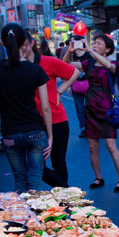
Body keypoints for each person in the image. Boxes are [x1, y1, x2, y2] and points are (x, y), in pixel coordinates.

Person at [0, 23, 53, 193]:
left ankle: (22, 219)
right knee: (35, 183)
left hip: (10, 133)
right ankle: (35, 218)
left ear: (3, 43)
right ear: (24, 44)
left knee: (20, 181)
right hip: (36, 131)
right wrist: (50, 136)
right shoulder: (36, 70)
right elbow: (45, 107)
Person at [67, 34, 119, 192]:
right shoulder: (89, 63)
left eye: (98, 44)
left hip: (107, 110)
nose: (94, 45)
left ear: (107, 49)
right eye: (94, 43)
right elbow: (65, 64)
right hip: (91, 109)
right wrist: (69, 50)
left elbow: (109, 67)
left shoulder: (115, 63)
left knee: (111, 145)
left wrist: (89, 51)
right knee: (92, 146)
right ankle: (98, 177)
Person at [25, 33, 80, 188]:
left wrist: (59, 91)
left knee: (59, 162)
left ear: (31, 43)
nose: (21, 48)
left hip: (56, 119)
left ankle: (65, 198)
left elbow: (74, 72)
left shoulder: (48, 62)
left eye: (24, 44)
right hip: (33, 122)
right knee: (36, 165)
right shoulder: (19, 67)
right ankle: (68, 192)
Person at [62, 37, 94, 138]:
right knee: (79, 108)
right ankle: (83, 128)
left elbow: (91, 67)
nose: (74, 43)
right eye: (72, 41)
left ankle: (92, 127)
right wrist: (69, 51)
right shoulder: (70, 55)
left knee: (90, 108)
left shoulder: (88, 55)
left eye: (76, 41)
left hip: (88, 85)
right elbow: (64, 65)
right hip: (75, 84)